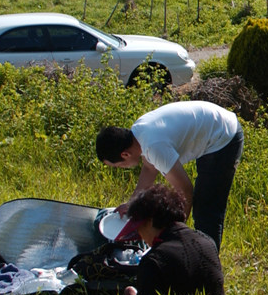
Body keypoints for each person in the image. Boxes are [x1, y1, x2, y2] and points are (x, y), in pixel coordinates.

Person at [96, 100, 242, 252]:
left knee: (206, 210)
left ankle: (205, 260)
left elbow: (185, 190)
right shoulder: (138, 134)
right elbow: (149, 168)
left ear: (125, 154)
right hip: (213, 127)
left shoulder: (154, 146)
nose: (121, 168)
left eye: (118, 166)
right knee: (203, 204)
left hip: (224, 136)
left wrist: (175, 234)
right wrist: (131, 204)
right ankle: (193, 252)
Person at [115, 184, 224, 295]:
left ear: (149, 222)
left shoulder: (153, 260)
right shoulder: (208, 242)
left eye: (138, 229)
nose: (140, 235)